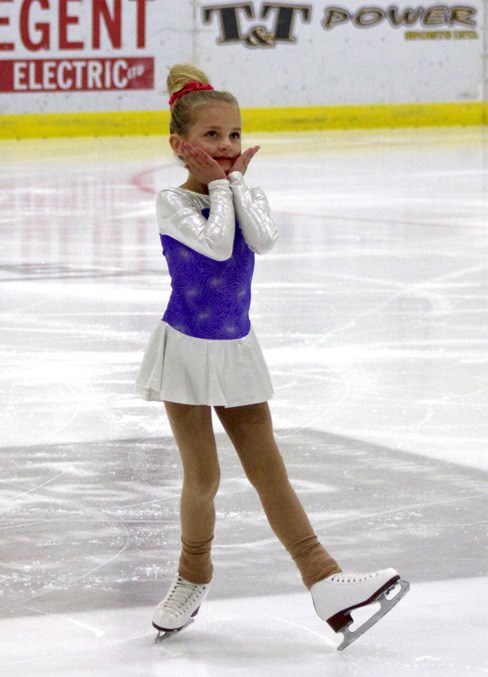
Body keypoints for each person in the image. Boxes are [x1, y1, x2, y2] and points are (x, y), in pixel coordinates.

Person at [136, 63, 409, 650]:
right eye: (211, 137)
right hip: (185, 347)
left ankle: (324, 578)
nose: (227, 147)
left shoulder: (246, 193)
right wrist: (217, 186)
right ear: (180, 145)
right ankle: (193, 575)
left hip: (235, 348)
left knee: (269, 470)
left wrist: (232, 184)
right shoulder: (171, 202)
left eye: (234, 135)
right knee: (202, 478)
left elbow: (262, 239)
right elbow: (213, 243)